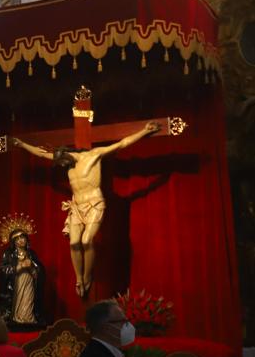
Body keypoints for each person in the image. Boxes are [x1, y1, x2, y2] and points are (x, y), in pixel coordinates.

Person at [12, 121, 160, 297]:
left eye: (62, 163)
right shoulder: (65, 161)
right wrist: (22, 144)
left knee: (86, 240)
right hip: (77, 206)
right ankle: (79, 278)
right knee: (74, 243)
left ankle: (88, 276)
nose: (62, 166)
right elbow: (42, 154)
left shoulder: (94, 155)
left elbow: (122, 143)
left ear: (68, 154)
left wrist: (143, 131)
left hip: (94, 203)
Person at [0, 229, 45, 327]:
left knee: (28, 301)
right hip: (16, 283)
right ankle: (16, 319)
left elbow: (40, 271)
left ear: (26, 239)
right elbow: (2, 270)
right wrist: (19, 267)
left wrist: (31, 266)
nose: (20, 240)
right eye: (17, 238)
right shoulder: (9, 254)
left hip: (28, 282)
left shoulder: (31, 254)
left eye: (22, 237)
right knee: (17, 301)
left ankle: (28, 319)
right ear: (13, 242)